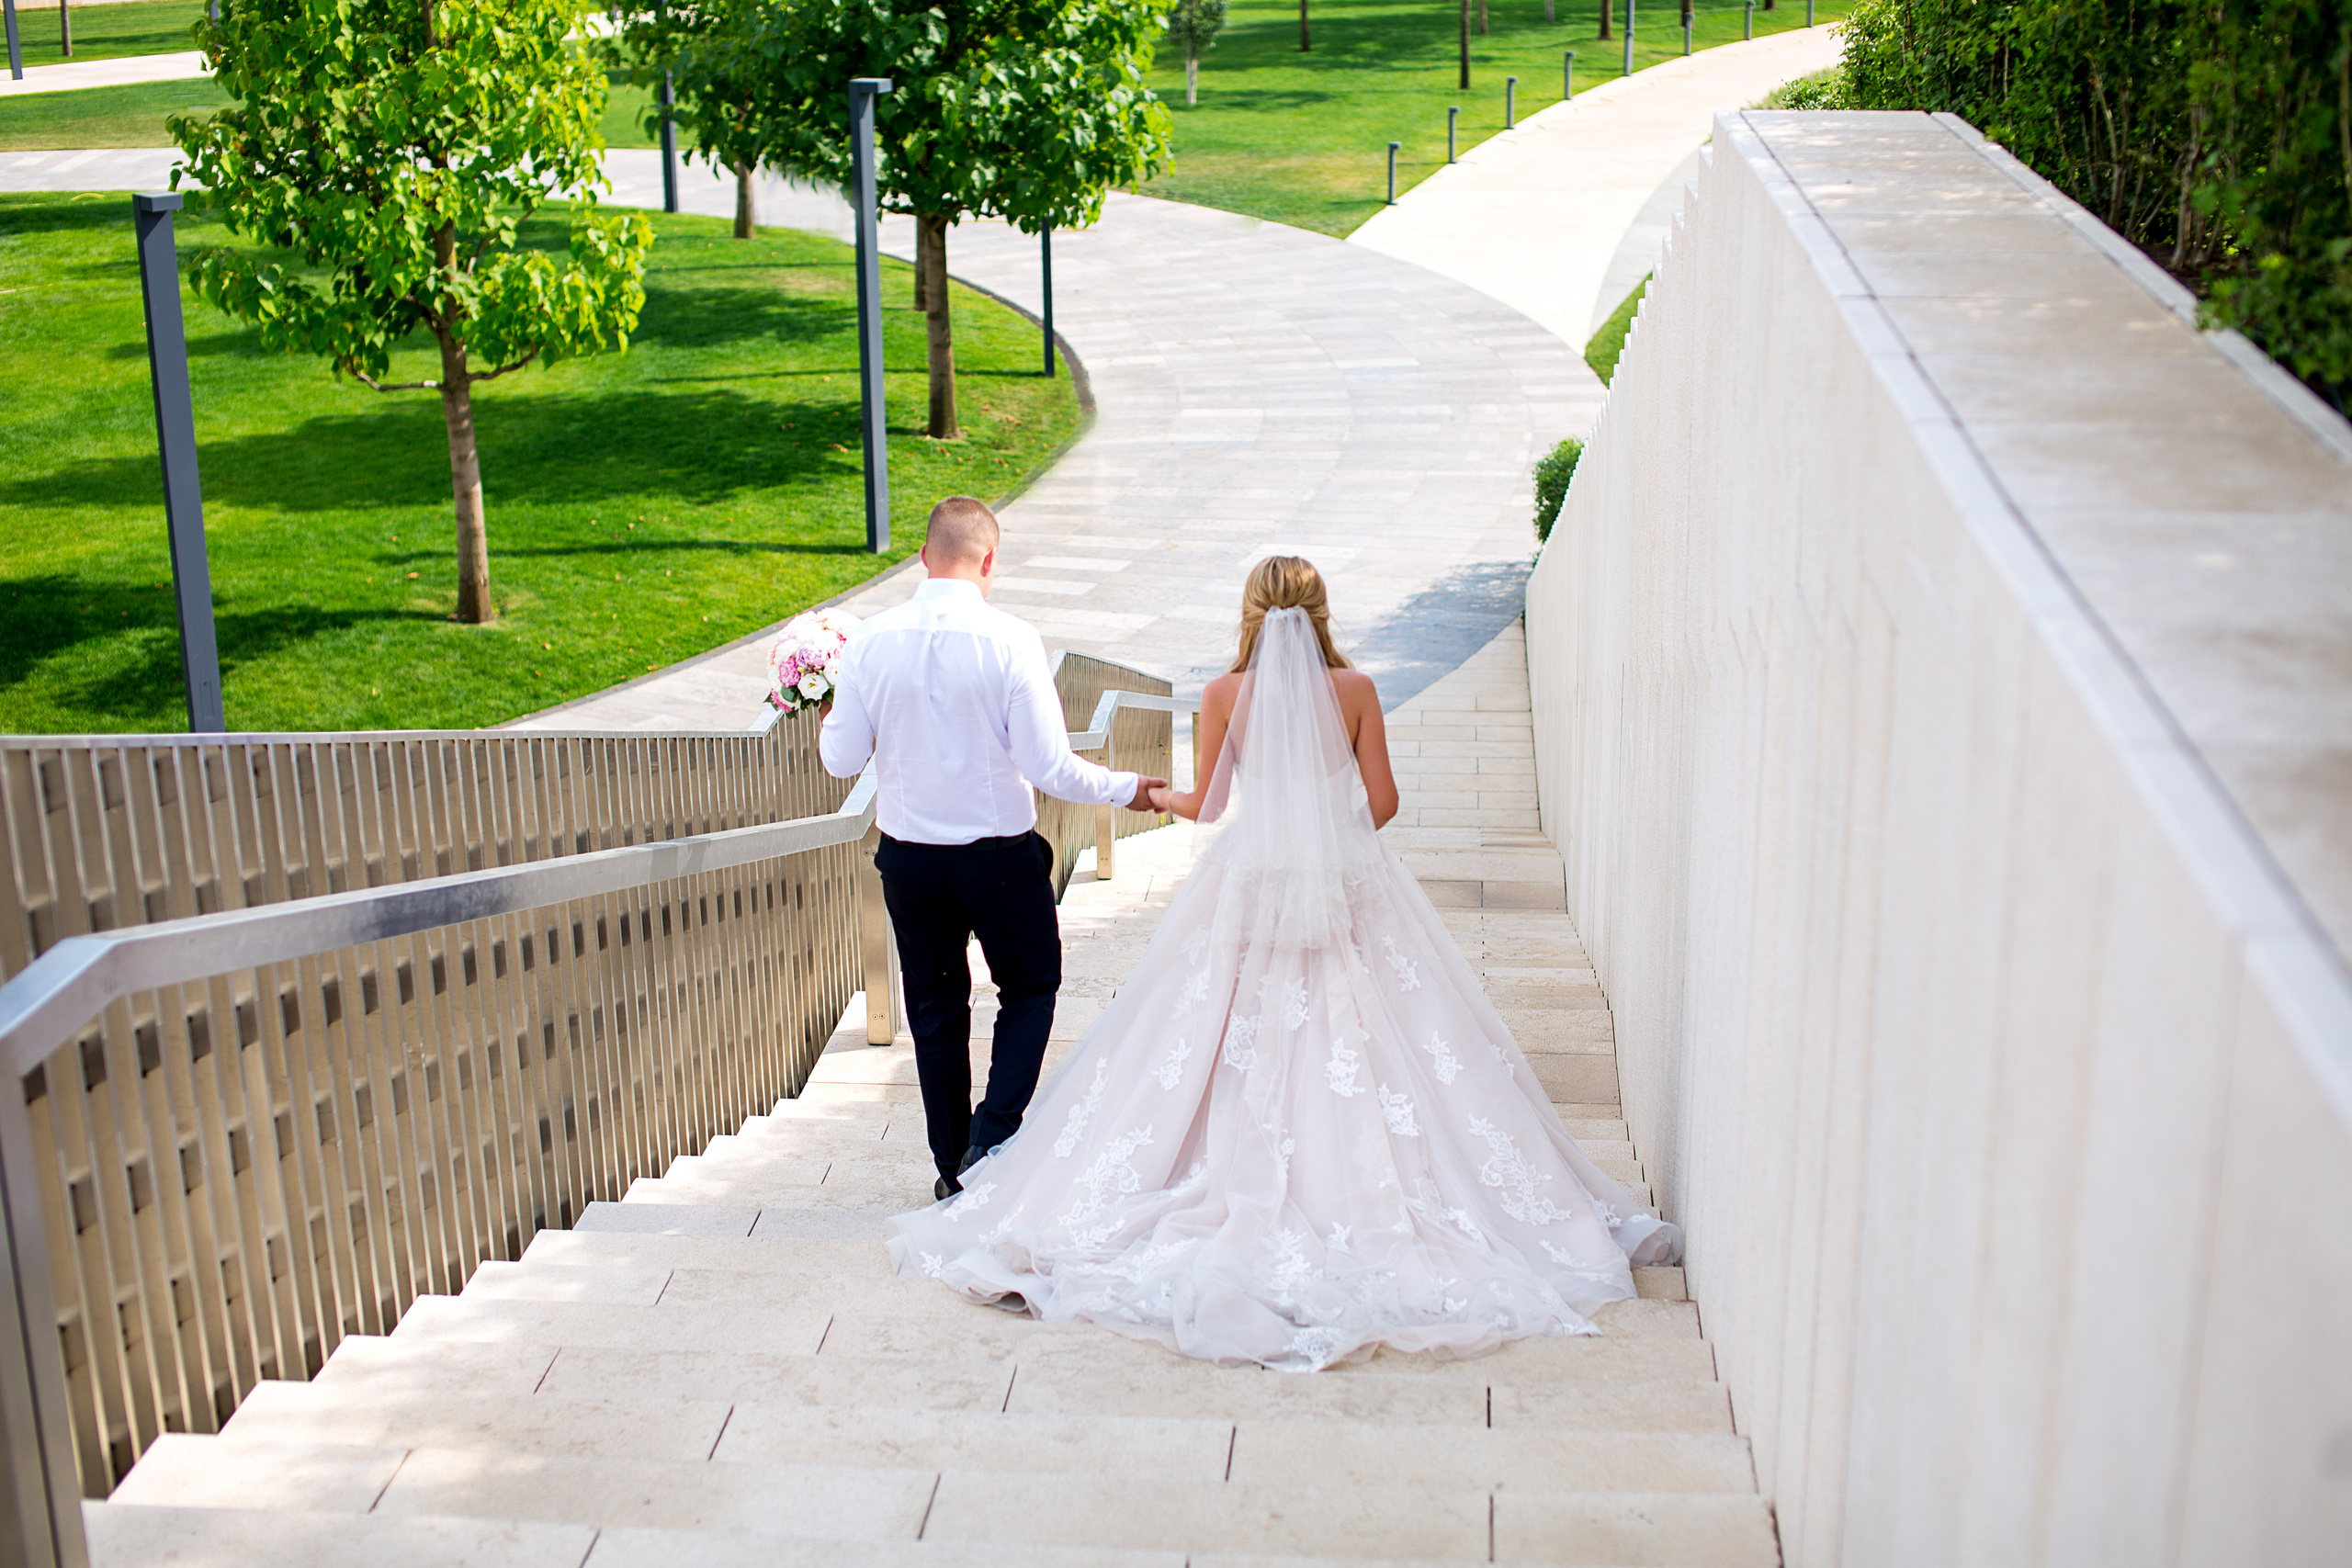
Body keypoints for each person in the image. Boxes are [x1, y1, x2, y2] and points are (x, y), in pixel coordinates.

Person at [886, 556, 1680, 1371]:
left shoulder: (1225, 694)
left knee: (1212, 1030)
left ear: (1251, 614)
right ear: (1320, 611)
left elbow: (1210, 806)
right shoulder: (1357, 690)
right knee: (1379, 1030)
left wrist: (1157, 796)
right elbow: (1384, 802)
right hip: (1344, 881)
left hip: (1252, 884)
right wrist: (1329, 842)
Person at [820, 496, 1166, 1202]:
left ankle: (952, 1163)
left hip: (910, 859)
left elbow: (840, 760)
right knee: (1030, 987)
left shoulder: (869, 644)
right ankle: (992, 1137)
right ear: (989, 561)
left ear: (924, 556)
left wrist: (830, 716)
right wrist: (1127, 787)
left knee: (935, 1007)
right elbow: (1048, 766)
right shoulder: (1010, 639)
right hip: (999, 858)